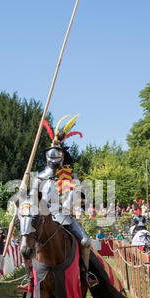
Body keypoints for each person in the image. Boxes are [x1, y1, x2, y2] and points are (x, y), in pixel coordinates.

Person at [18, 114, 98, 289]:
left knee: (85, 241)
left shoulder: (69, 176)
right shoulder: (39, 177)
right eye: (51, 158)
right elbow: (32, 199)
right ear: (46, 158)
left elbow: (76, 195)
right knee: (26, 242)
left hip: (64, 216)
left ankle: (85, 274)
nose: (54, 161)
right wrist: (22, 194)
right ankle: (29, 278)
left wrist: (72, 202)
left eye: (57, 158)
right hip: (42, 216)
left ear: (62, 157)